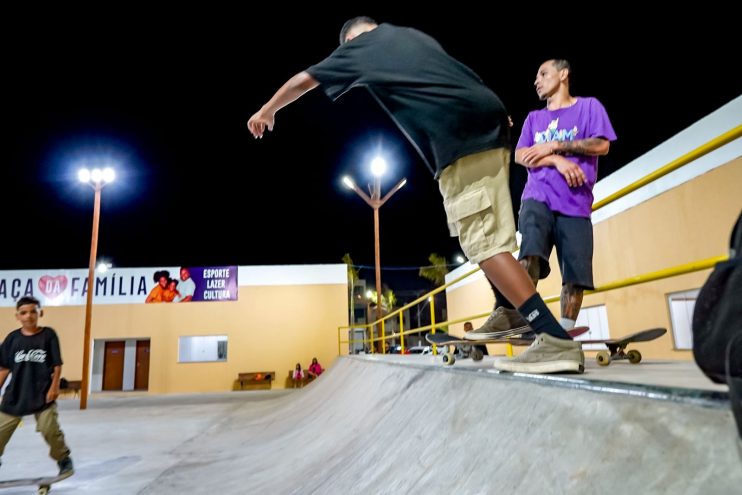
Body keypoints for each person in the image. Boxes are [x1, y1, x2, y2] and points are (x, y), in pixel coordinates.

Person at [247, 17, 583, 374]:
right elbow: (463, 74)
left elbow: (304, 79)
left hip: (460, 142)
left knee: (484, 245)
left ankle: (553, 340)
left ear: (350, 41)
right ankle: (509, 311)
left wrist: (267, 111)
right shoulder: (410, 36)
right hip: (490, 126)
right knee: (489, 235)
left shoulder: (360, 47)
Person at [514, 59, 616, 330]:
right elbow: (520, 155)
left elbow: (601, 144)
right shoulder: (534, 119)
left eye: (543, 74)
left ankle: (565, 333)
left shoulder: (589, 107)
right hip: (538, 196)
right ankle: (528, 322)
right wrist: (556, 160)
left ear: (563, 74)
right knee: (530, 254)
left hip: (576, 204)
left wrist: (554, 145)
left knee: (575, 275)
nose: (537, 81)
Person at [0, 296, 74, 476]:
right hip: (16, 395)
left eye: (33, 311)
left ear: (40, 313)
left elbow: (57, 364)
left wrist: (54, 387)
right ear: (17, 316)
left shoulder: (48, 335)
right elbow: (3, 368)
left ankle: (63, 459)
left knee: (50, 430)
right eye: (24, 313)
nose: (29, 316)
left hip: (42, 395)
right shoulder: (12, 339)